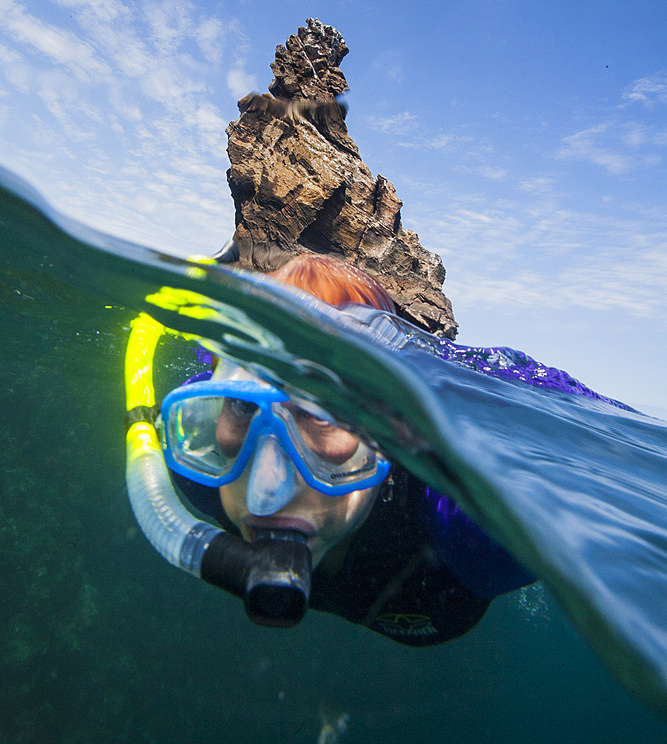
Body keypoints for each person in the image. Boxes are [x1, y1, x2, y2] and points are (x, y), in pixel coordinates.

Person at [157, 253, 534, 644]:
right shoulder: (198, 470)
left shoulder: (472, 531)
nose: (263, 497)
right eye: (241, 405)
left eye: (321, 414)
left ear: (388, 437)